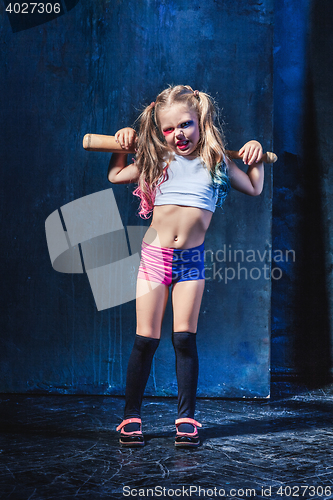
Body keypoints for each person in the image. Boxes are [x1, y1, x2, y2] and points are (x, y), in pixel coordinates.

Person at [107, 85, 264, 448]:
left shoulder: (217, 162)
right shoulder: (155, 159)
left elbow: (254, 188)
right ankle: (131, 418)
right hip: (154, 258)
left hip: (191, 261)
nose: (178, 134)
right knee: (145, 339)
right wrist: (121, 144)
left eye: (186, 125)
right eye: (169, 129)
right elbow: (117, 176)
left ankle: (187, 419)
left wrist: (254, 155)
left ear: (200, 121)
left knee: (183, 338)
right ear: (160, 131)